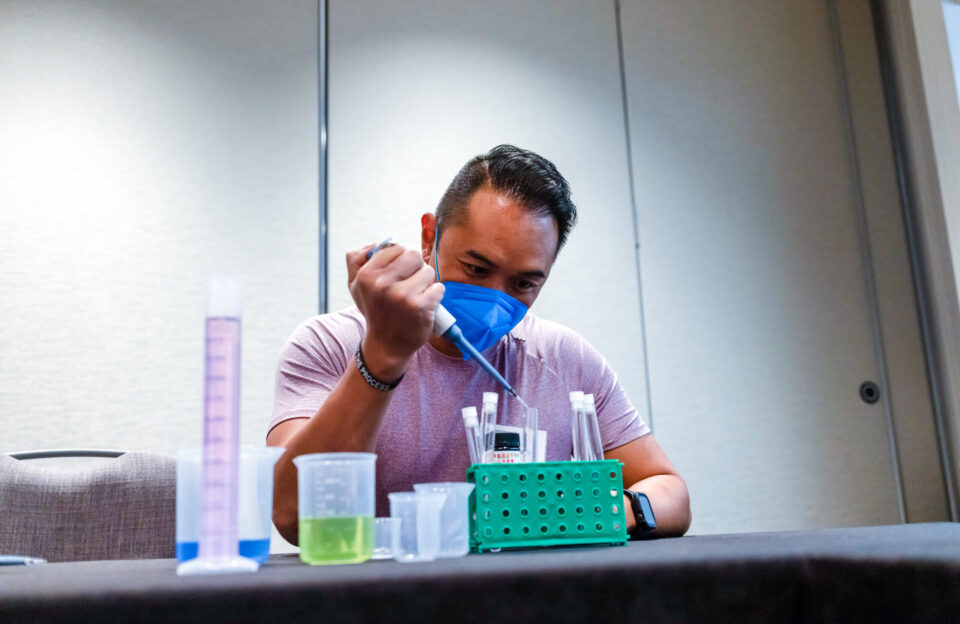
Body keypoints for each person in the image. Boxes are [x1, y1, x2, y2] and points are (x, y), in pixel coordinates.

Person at [267, 145, 690, 544]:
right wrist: (383, 354)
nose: (494, 302)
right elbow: (291, 514)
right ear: (429, 237)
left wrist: (593, 508)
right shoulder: (327, 345)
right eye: (476, 268)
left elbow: (671, 492)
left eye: (523, 284)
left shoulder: (566, 361)